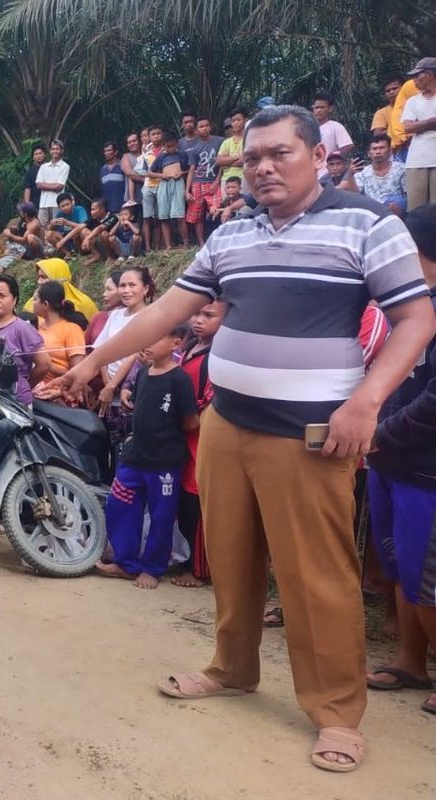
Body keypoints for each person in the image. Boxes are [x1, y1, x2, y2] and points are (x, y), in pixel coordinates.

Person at [57, 104, 435, 772]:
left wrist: (366, 402)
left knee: (317, 575)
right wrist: (92, 361)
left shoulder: (367, 223)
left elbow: (414, 320)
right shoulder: (233, 232)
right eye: (253, 157)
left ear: (319, 157)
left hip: (312, 434)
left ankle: (337, 713)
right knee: (230, 559)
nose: (262, 167)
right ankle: (233, 669)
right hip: (229, 421)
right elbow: (171, 309)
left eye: (279, 154)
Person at [364, 203, 436, 716]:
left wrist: (380, 431)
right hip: (389, 459)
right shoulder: (404, 306)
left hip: (425, 466)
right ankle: (412, 660)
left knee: (425, 574)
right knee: (396, 563)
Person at [95, 325, 198, 589]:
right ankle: (126, 563)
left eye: (157, 337)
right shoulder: (142, 373)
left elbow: (190, 421)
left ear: (176, 344)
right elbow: (139, 406)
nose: (148, 342)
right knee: (120, 506)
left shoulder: (180, 380)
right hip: (134, 456)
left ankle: (153, 567)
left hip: (164, 461)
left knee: (161, 516)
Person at [172, 299, 226, 588]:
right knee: (186, 497)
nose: (198, 320)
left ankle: (201, 569)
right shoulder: (190, 347)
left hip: (201, 434)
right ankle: (186, 559)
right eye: (195, 313)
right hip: (184, 432)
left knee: (201, 498)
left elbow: (210, 400)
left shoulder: (218, 356)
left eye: (208, 315)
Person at [93, 267, 155, 468]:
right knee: (110, 446)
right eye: (122, 285)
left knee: (129, 446)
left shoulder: (150, 316)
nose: (126, 290)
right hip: (108, 392)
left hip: (131, 390)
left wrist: (113, 385)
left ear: (145, 289)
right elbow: (102, 348)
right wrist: (106, 383)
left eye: (132, 285)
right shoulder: (115, 315)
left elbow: (134, 353)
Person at [0, 274, 50, 405]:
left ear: (14, 299)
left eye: (2, 295)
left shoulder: (22, 328)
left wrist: (24, 385)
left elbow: (44, 364)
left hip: (13, 403)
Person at [29, 282, 87, 402]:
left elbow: (78, 372)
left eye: (35, 299)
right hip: (35, 394)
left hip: (59, 396)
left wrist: (46, 365)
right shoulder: (37, 328)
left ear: (45, 304)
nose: (32, 304)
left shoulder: (71, 329)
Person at [402, 57, 436, 210]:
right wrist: (431, 122)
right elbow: (407, 127)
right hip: (416, 160)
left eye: (417, 75)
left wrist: (420, 124)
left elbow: (413, 126)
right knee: (416, 210)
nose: (414, 80)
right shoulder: (412, 101)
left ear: (429, 74)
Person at [22, 257, 99, 320]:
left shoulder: (82, 304)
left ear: (57, 278)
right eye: (39, 277)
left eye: (44, 277)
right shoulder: (33, 302)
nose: (39, 281)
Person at [185, 116, 223, 245]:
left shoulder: (220, 141)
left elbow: (222, 164)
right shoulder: (195, 149)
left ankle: (218, 240)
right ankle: (202, 243)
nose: (204, 128)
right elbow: (191, 169)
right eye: (201, 127)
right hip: (197, 183)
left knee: (216, 211)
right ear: (196, 130)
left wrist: (217, 181)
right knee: (197, 216)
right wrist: (187, 190)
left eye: (207, 125)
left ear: (210, 126)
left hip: (213, 182)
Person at [350, 133, 408, 215]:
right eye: (374, 149)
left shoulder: (401, 169)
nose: (378, 152)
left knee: (397, 202)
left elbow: (407, 195)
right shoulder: (362, 173)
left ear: (390, 151)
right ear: (369, 153)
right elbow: (355, 196)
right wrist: (350, 175)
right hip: (371, 209)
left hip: (395, 209)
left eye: (382, 148)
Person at [148, 130, 188, 248]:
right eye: (167, 146)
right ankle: (168, 245)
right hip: (164, 184)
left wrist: (181, 173)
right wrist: (162, 176)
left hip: (178, 184)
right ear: (164, 145)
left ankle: (186, 242)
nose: (170, 148)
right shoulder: (161, 157)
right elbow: (150, 173)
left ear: (177, 144)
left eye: (173, 146)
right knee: (164, 216)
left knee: (180, 215)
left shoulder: (182, 155)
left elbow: (189, 170)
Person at [312, 90, 354, 178]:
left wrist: (333, 158)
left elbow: (348, 146)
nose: (318, 110)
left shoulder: (335, 126)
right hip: (311, 173)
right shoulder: (308, 128)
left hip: (329, 174)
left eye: (322, 107)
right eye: (316, 108)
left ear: (330, 109)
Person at [35, 139, 70, 227]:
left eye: (57, 149)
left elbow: (59, 187)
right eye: (53, 149)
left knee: (57, 229)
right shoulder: (43, 166)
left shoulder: (65, 166)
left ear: (62, 151)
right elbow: (38, 185)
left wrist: (45, 185)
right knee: (42, 229)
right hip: (43, 204)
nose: (55, 151)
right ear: (50, 151)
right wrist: (54, 185)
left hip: (57, 204)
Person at [85, 269, 123, 347]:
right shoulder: (98, 317)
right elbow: (85, 347)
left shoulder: (136, 318)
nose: (104, 294)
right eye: (105, 289)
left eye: (109, 289)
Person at [79, 199, 118, 265]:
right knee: (83, 231)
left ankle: (111, 257)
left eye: (93, 209)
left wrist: (87, 239)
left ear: (102, 210)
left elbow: (99, 228)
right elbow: (79, 227)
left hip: (114, 247)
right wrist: (63, 241)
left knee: (104, 234)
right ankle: (96, 255)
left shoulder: (112, 217)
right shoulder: (94, 217)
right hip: (100, 245)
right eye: (91, 209)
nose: (91, 212)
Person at [216, 108, 247, 184]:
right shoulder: (226, 142)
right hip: (226, 180)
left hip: (244, 178)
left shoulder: (249, 139)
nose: (235, 123)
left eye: (238, 120)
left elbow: (245, 160)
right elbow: (219, 161)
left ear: (245, 120)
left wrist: (227, 162)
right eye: (233, 121)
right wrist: (237, 157)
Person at [99, 141, 126, 213]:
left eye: (109, 150)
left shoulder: (123, 166)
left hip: (123, 208)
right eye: (105, 151)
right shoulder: (103, 169)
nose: (106, 153)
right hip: (108, 210)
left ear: (116, 152)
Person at [121, 132, 146, 206]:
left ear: (140, 141)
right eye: (129, 142)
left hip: (149, 194)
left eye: (134, 141)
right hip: (133, 198)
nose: (132, 144)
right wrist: (145, 179)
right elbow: (129, 172)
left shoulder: (147, 154)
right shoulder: (126, 156)